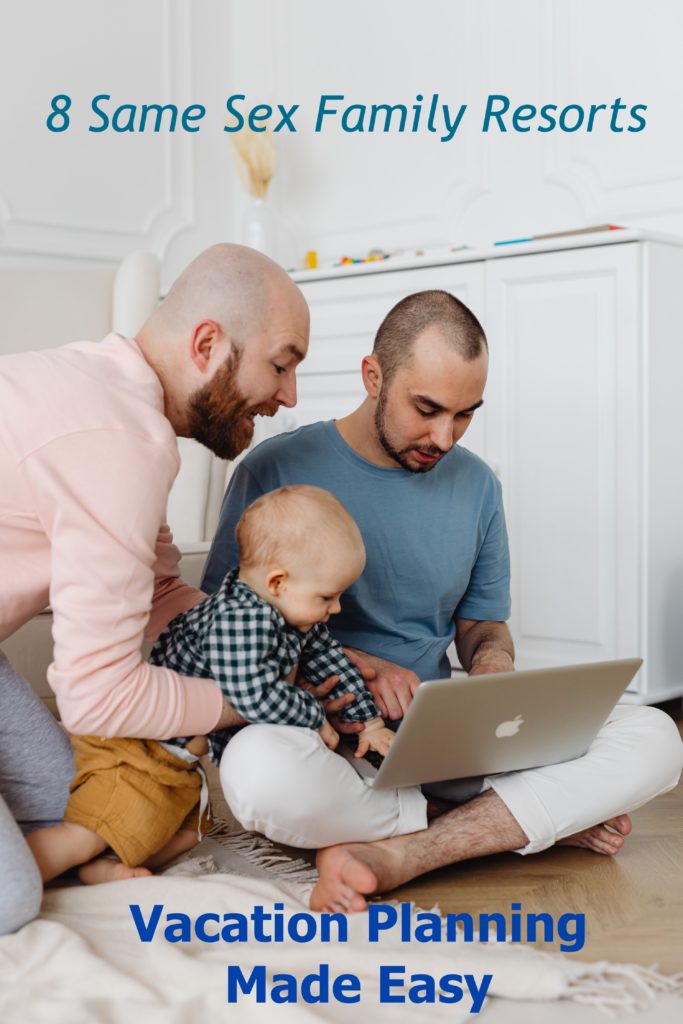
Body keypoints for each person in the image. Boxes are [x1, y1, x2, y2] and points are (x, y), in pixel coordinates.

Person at [201, 289, 683, 913]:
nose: (445, 436)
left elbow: (483, 625)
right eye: (426, 408)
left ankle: (404, 849)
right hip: (329, 744)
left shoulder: (478, 485)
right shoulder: (275, 468)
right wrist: (350, 670)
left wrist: (492, 674)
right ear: (373, 376)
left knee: (654, 736)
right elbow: (221, 629)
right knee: (255, 773)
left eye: (465, 414)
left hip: (448, 740)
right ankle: (510, 820)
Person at [0, 243, 309, 932]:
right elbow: (98, 695)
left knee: (106, 808)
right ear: (207, 344)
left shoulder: (114, 394)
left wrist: (281, 644)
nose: (289, 396)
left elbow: (161, 595)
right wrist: (257, 699)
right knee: (10, 896)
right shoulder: (118, 441)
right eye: (282, 363)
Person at [25, 486, 409, 886]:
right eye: (328, 596)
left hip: (181, 756)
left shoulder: (293, 614)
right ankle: (32, 868)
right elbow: (252, 694)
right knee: (96, 825)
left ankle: (100, 863)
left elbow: (330, 659)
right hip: (136, 746)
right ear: (277, 582)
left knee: (186, 832)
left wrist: (369, 724)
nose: (337, 608)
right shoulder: (240, 618)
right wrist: (313, 715)